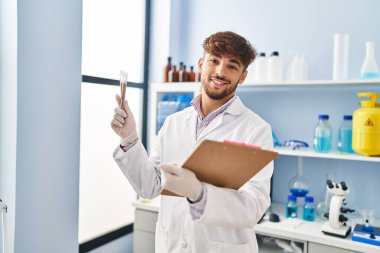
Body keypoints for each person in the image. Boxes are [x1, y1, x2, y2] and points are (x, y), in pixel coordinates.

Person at [111, 31, 273, 253]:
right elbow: (151, 187)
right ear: (200, 64)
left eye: (232, 66)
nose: (220, 71)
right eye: (214, 61)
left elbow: (254, 207)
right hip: (173, 245)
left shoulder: (256, 129)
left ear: (242, 76)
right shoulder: (173, 122)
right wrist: (129, 138)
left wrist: (200, 193)